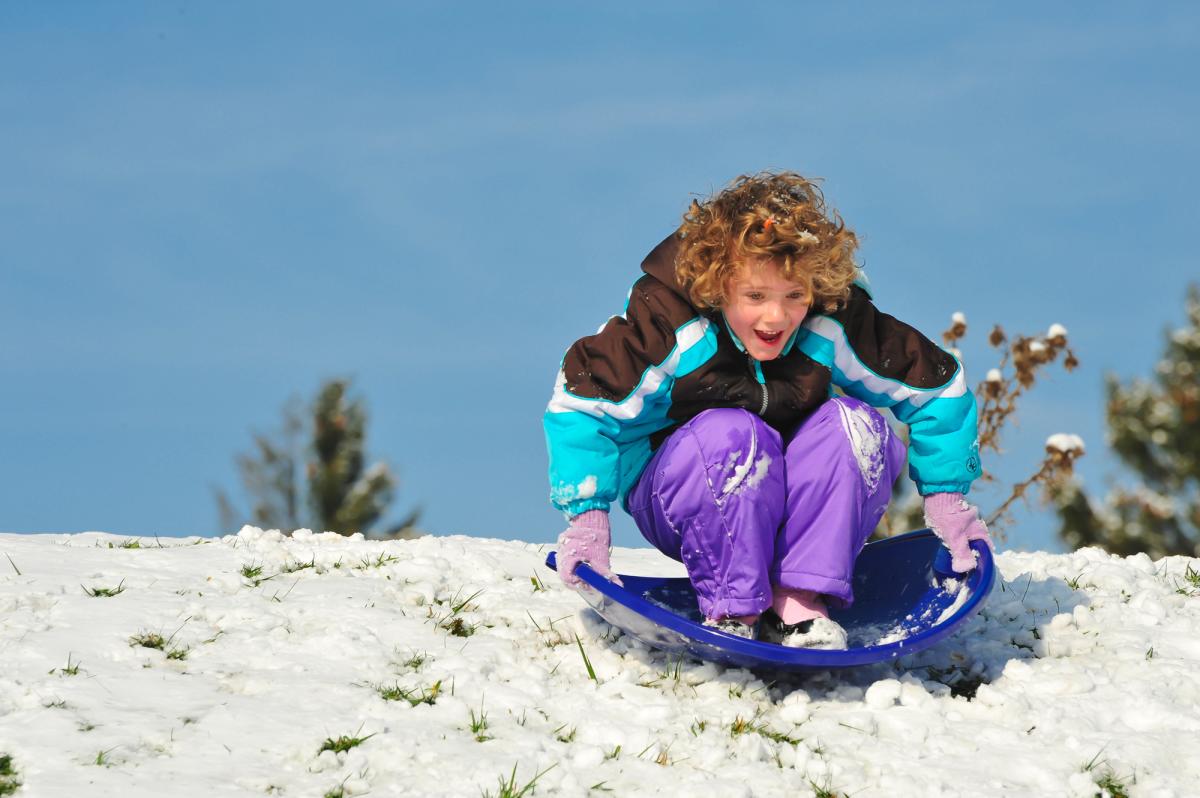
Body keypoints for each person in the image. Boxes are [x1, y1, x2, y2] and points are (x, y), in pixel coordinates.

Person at [544, 171, 990, 649]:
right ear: (719, 285)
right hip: (682, 488)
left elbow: (937, 387)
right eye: (755, 296)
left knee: (858, 429)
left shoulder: (833, 321)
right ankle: (733, 606)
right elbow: (583, 404)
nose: (775, 317)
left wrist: (946, 498)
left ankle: (800, 604)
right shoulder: (669, 322)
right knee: (732, 433)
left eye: (794, 296)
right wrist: (587, 517)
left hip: (794, 493)